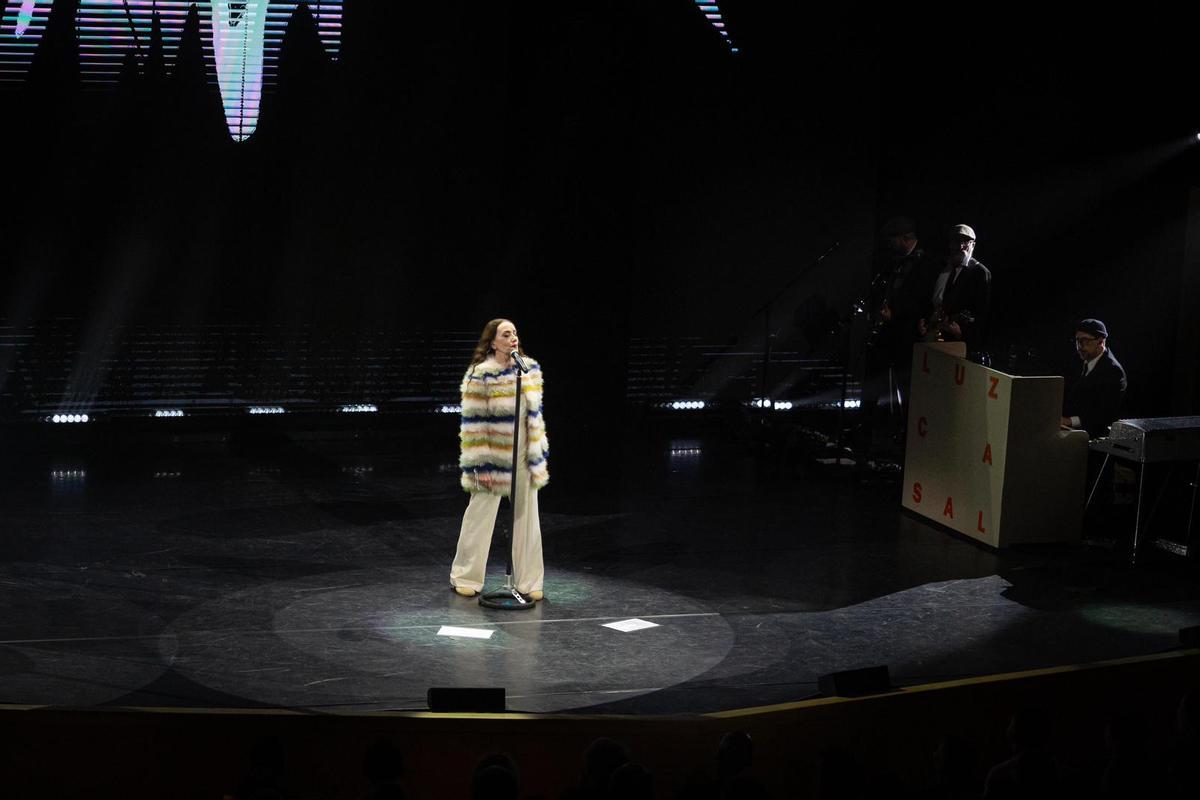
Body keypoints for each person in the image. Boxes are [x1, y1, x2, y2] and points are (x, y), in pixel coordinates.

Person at [449, 319, 549, 600]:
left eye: (515, 333)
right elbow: (473, 423)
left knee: (527, 518)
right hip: (493, 457)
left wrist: (536, 454)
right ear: (493, 342)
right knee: (480, 516)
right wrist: (480, 463)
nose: (513, 338)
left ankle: (528, 581)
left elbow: (535, 416)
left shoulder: (529, 370)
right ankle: (465, 575)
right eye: (506, 334)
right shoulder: (480, 374)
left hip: (524, 455)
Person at [921, 224, 991, 360]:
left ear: (973, 245)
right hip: (931, 340)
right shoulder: (941, 269)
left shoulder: (979, 273)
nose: (961, 247)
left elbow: (982, 314)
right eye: (957, 242)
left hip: (957, 346)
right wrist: (924, 320)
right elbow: (928, 300)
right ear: (950, 244)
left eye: (965, 242)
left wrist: (962, 332)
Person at [1061, 318, 1126, 438]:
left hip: (1094, 438)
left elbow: (1104, 415)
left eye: (1085, 341)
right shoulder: (1081, 360)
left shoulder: (1113, 372)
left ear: (1101, 342)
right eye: (1078, 341)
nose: (1080, 346)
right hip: (1073, 432)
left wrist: (1069, 421)